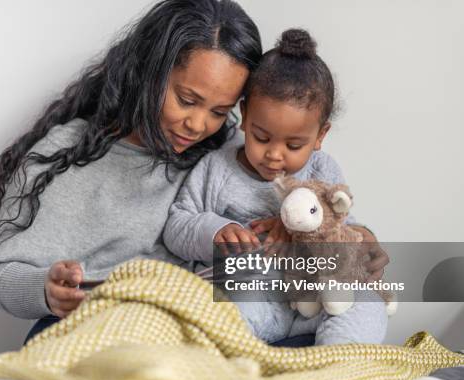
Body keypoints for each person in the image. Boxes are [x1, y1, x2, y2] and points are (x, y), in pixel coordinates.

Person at [0, 0, 262, 344]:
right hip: (93, 328)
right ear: (149, 72)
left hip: (192, 330)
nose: (198, 125)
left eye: (219, 111)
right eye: (186, 100)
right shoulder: (67, 154)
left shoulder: (228, 152)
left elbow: (318, 238)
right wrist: (46, 290)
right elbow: (0, 273)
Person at [163, 29, 389, 345]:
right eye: (262, 137)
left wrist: (364, 241)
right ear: (244, 116)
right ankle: (234, 363)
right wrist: (215, 231)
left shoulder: (323, 170)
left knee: (365, 304)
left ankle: (341, 363)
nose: (274, 154)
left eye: (294, 145)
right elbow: (177, 225)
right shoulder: (217, 168)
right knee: (217, 320)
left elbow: (340, 227)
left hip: (316, 297)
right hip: (251, 296)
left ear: (320, 136)